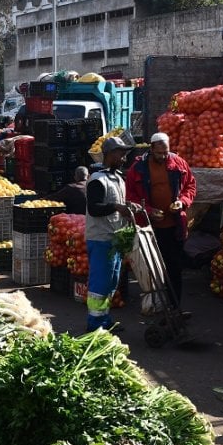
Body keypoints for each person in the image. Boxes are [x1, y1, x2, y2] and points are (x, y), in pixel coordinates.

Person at [125, 132, 197, 308]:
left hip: (174, 226)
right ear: (151, 149)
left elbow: (191, 185)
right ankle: (156, 304)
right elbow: (130, 195)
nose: (164, 156)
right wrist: (148, 211)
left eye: (166, 152)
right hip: (149, 227)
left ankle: (175, 306)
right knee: (153, 268)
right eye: (160, 153)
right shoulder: (138, 167)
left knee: (174, 267)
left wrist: (183, 202)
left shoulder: (178, 163)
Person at [85, 137, 141, 332]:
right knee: (99, 283)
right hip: (100, 238)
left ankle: (104, 318)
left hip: (115, 237)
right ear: (109, 155)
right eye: (120, 153)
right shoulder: (97, 180)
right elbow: (94, 208)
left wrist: (128, 206)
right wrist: (116, 207)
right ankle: (94, 324)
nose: (124, 157)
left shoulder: (118, 178)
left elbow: (118, 203)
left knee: (111, 281)